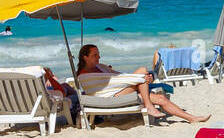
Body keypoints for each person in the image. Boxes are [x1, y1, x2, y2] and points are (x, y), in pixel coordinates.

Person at [76, 44, 208, 124]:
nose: (99, 57)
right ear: (85, 57)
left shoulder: (101, 67)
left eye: (98, 54)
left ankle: (191, 118)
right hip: (108, 98)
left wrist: (139, 79)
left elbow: (120, 76)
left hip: (121, 92)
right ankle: (149, 106)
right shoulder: (83, 75)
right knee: (142, 73)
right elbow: (108, 85)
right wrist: (139, 78)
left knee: (160, 97)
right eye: (95, 55)